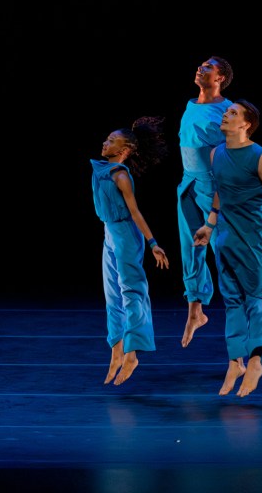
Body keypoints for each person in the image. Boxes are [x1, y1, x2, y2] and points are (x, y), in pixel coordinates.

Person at [193, 99, 262, 398]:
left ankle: (255, 361)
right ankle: (234, 361)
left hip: (257, 237)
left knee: (257, 299)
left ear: (246, 124)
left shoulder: (261, 157)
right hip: (227, 236)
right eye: (227, 111)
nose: (226, 114)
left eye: (233, 113)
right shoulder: (216, 154)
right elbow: (218, 194)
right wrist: (208, 226)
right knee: (232, 301)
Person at [90, 116, 170, 386]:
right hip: (109, 233)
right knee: (112, 295)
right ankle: (116, 350)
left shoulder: (121, 175)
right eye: (107, 138)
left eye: (112, 140)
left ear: (124, 150)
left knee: (131, 291)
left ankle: (133, 352)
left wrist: (153, 244)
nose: (106, 142)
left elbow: (135, 213)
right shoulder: (101, 169)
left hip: (125, 235)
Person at [177, 56, 234, 348]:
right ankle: (195, 312)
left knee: (222, 249)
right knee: (191, 250)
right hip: (188, 183)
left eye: (208, 67)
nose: (200, 68)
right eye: (199, 65)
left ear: (221, 77)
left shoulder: (228, 110)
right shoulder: (190, 105)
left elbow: (232, 155)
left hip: (214, 185)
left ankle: (242, 312)